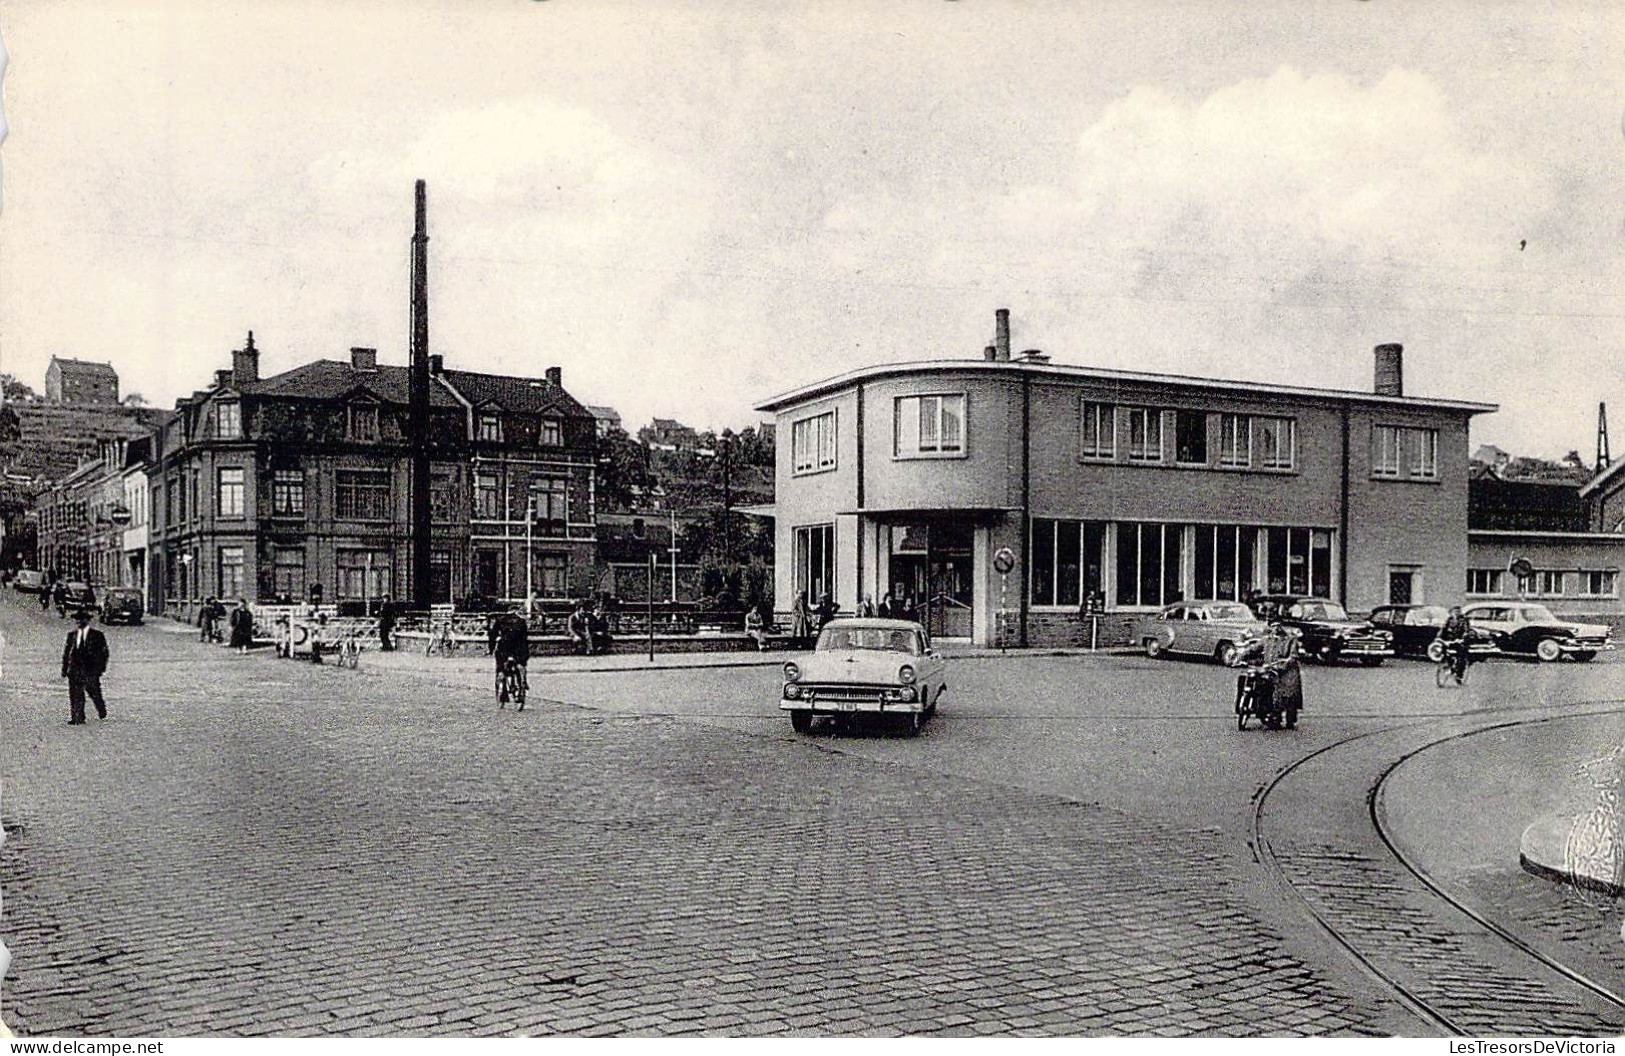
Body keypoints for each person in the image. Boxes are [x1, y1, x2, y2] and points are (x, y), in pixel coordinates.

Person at [1237, 618, 1303, 729]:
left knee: (1284, 691)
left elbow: (1293, 657)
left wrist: (1283, 663)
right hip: (1269, 670)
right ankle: (1259, 707)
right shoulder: (1267, 640)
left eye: (1278, 625)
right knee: (1256, 681)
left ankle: (1279, 716)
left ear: (1282, 626)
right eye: (1273, 626)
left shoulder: (1290, 640)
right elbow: (1254, 649)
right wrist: (1240, 655)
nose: (1276, 628)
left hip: (1286, 672)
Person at [61, 609, 110, 724]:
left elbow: (104, 653)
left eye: (81, 619)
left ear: (87, 621)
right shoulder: (71, 636)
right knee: (75, 694)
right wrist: (65, 669)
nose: (79, 622)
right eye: (77, 620)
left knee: (94, 692)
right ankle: (77, 717)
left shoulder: (97, 635)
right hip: (74, 670)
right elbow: (67, 653)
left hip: (90, 670)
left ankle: (101, 709)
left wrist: (100, 668)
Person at [492, 610, 530, 702]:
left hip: (505, 648)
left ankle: (504, 692)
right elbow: (525, 636)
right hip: (519, 648)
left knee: (501, 666)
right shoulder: (521, 621)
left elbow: (493, 635)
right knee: (521, 664)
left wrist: (491, 648)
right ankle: (523, 681)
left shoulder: (501, 620)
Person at [1436, 605, 1473, 684]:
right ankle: (1448, 665)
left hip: (1460, 641)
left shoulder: (1464, 620)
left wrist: (1462, 638)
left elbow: (1466, 630)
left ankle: (1459, 675)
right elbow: (1443, 629)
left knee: (1461, 657)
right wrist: (1439, 637)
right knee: (1444, 651)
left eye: (1458, 611)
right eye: (1455, 611)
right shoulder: (1449, 620)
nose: (1456, 613)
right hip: (1450, 640)